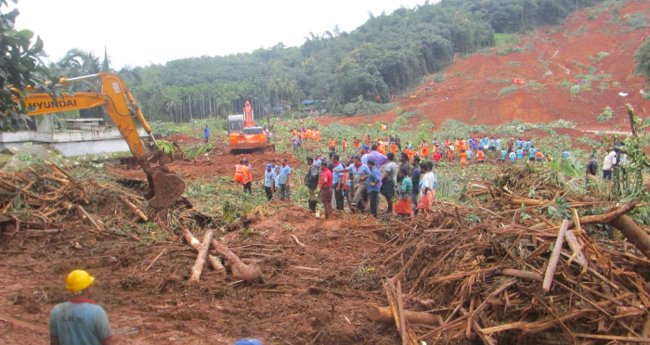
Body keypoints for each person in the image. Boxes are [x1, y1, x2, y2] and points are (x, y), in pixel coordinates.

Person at [50, 270, 113, 345]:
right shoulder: (97, 312)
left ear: (70, 289)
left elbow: (54, 342)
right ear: (88, 288)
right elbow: (107, 342)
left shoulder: (57, 311)